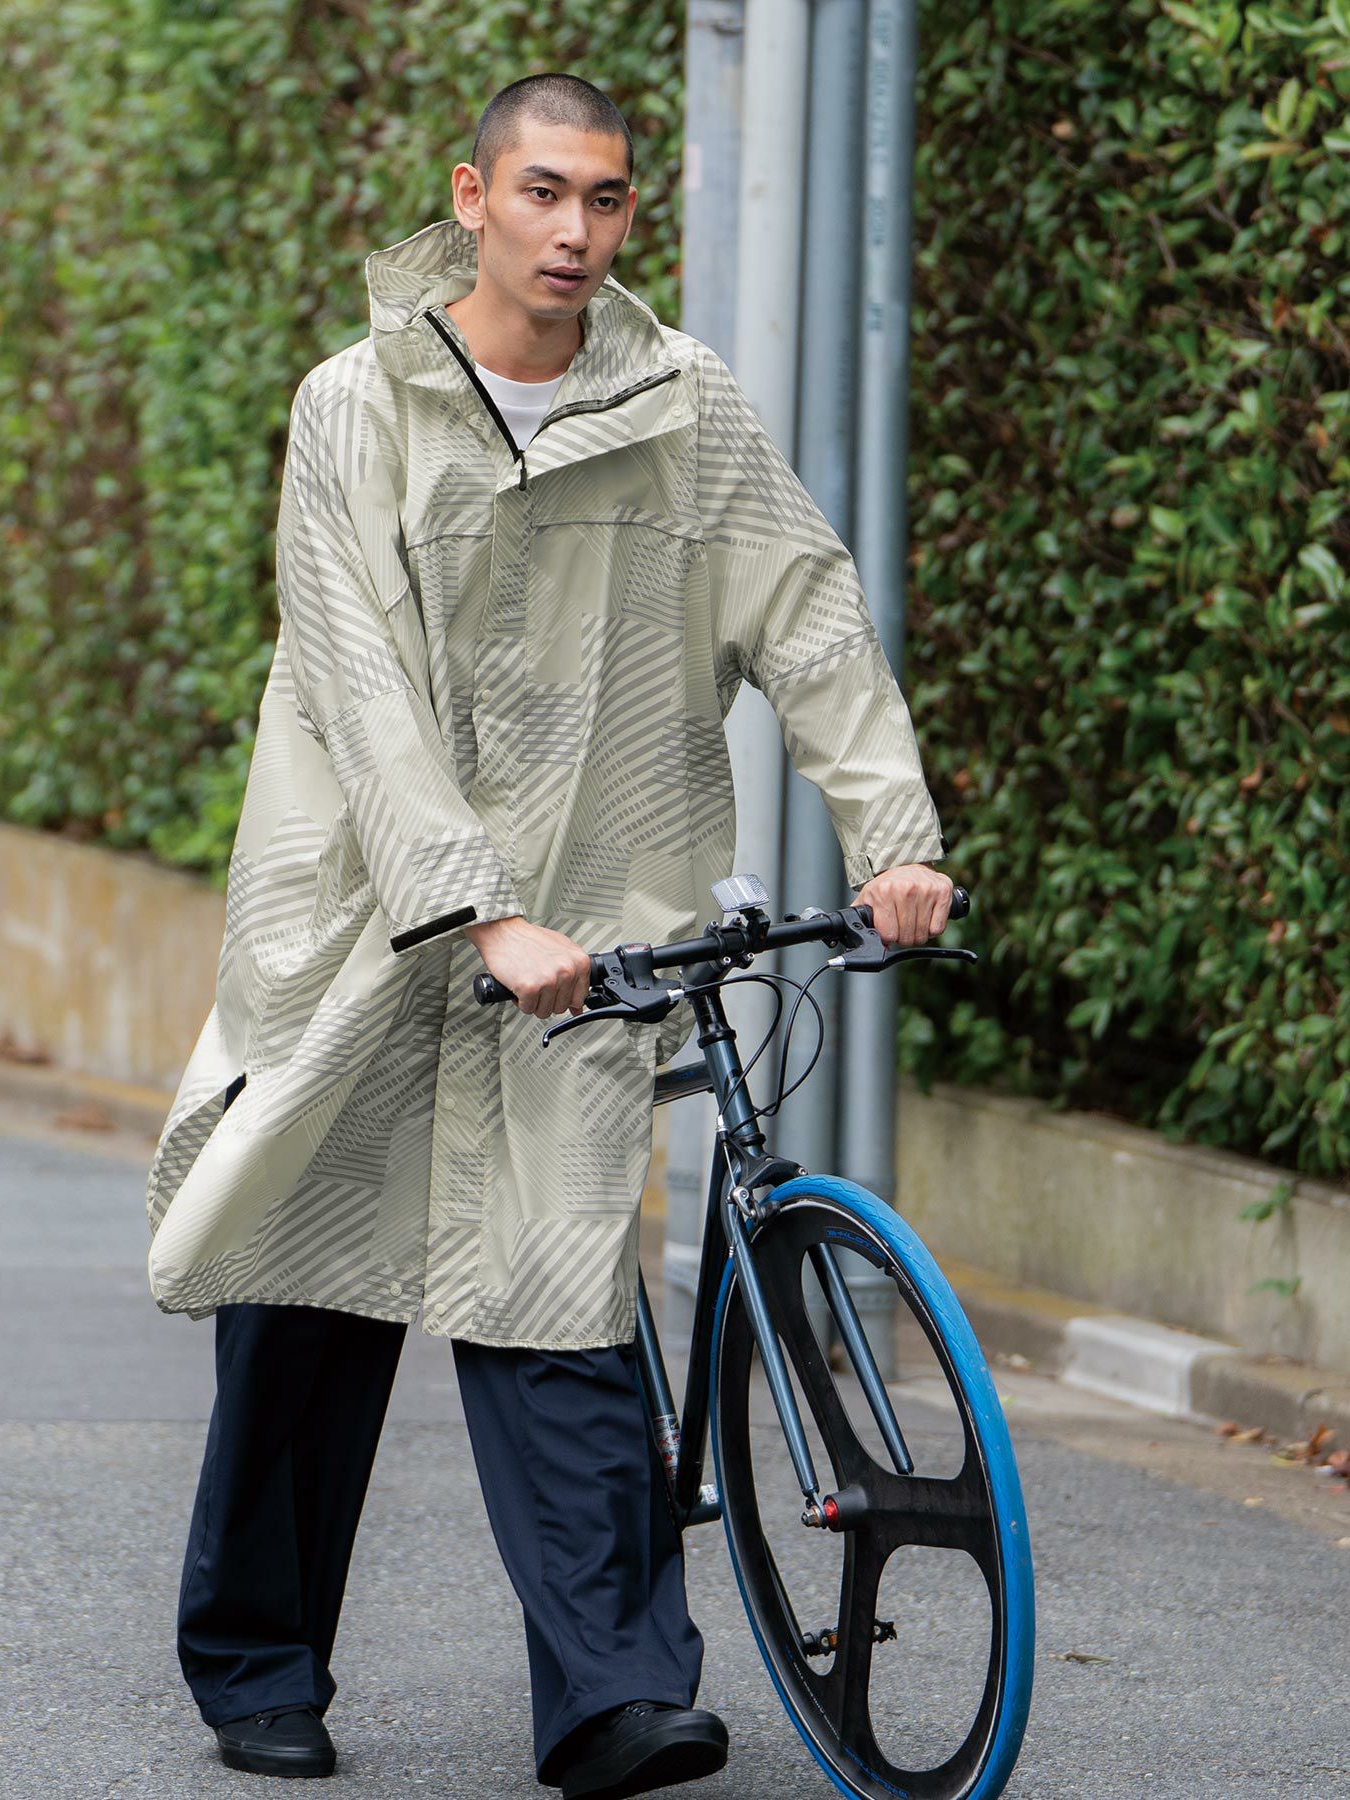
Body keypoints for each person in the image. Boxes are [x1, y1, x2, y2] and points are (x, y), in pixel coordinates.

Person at [146, 71, 955, 1795]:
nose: (574, 230)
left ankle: (615, 1698)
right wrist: (476, 906)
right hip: (365, 917)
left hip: (592, 925)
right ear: (473, 197)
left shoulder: (683, 406)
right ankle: (260, 1663)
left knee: (561, 1288)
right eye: (541, 192)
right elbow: (357, 682)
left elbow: (808, 613)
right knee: (308, 1294)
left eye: (603, 198)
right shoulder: (355, 404)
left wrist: (894, 836)